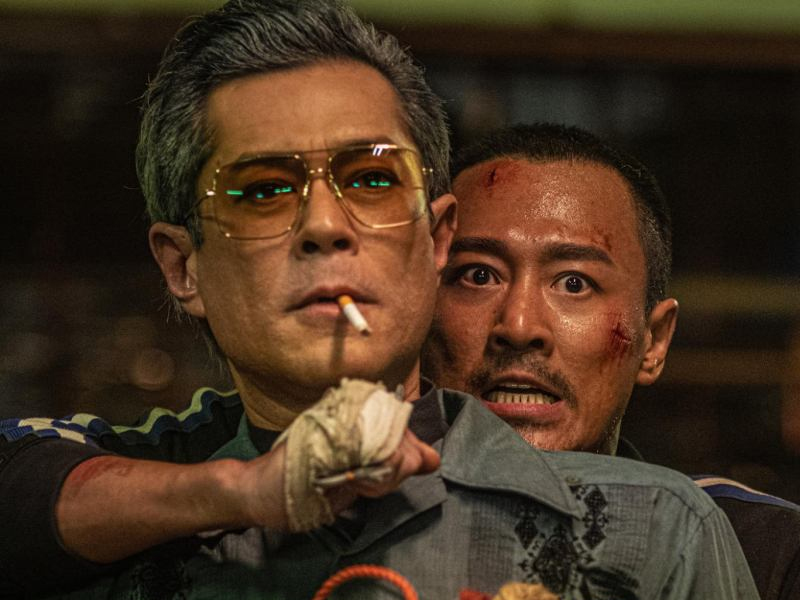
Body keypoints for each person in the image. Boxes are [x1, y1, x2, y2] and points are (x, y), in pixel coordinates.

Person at [0, 2, 758, 599]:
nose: (325, 226)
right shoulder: (104, 525)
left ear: (436, 240)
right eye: (263, 191)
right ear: (182, 267)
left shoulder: (650, 532)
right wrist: (236, 492)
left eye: (370, 179)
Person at [422, 122, 800, 600]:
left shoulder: (763, 551)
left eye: (574, 283)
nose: (518, 326)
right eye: (478, 275)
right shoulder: (355, 524)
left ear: (654, 342)